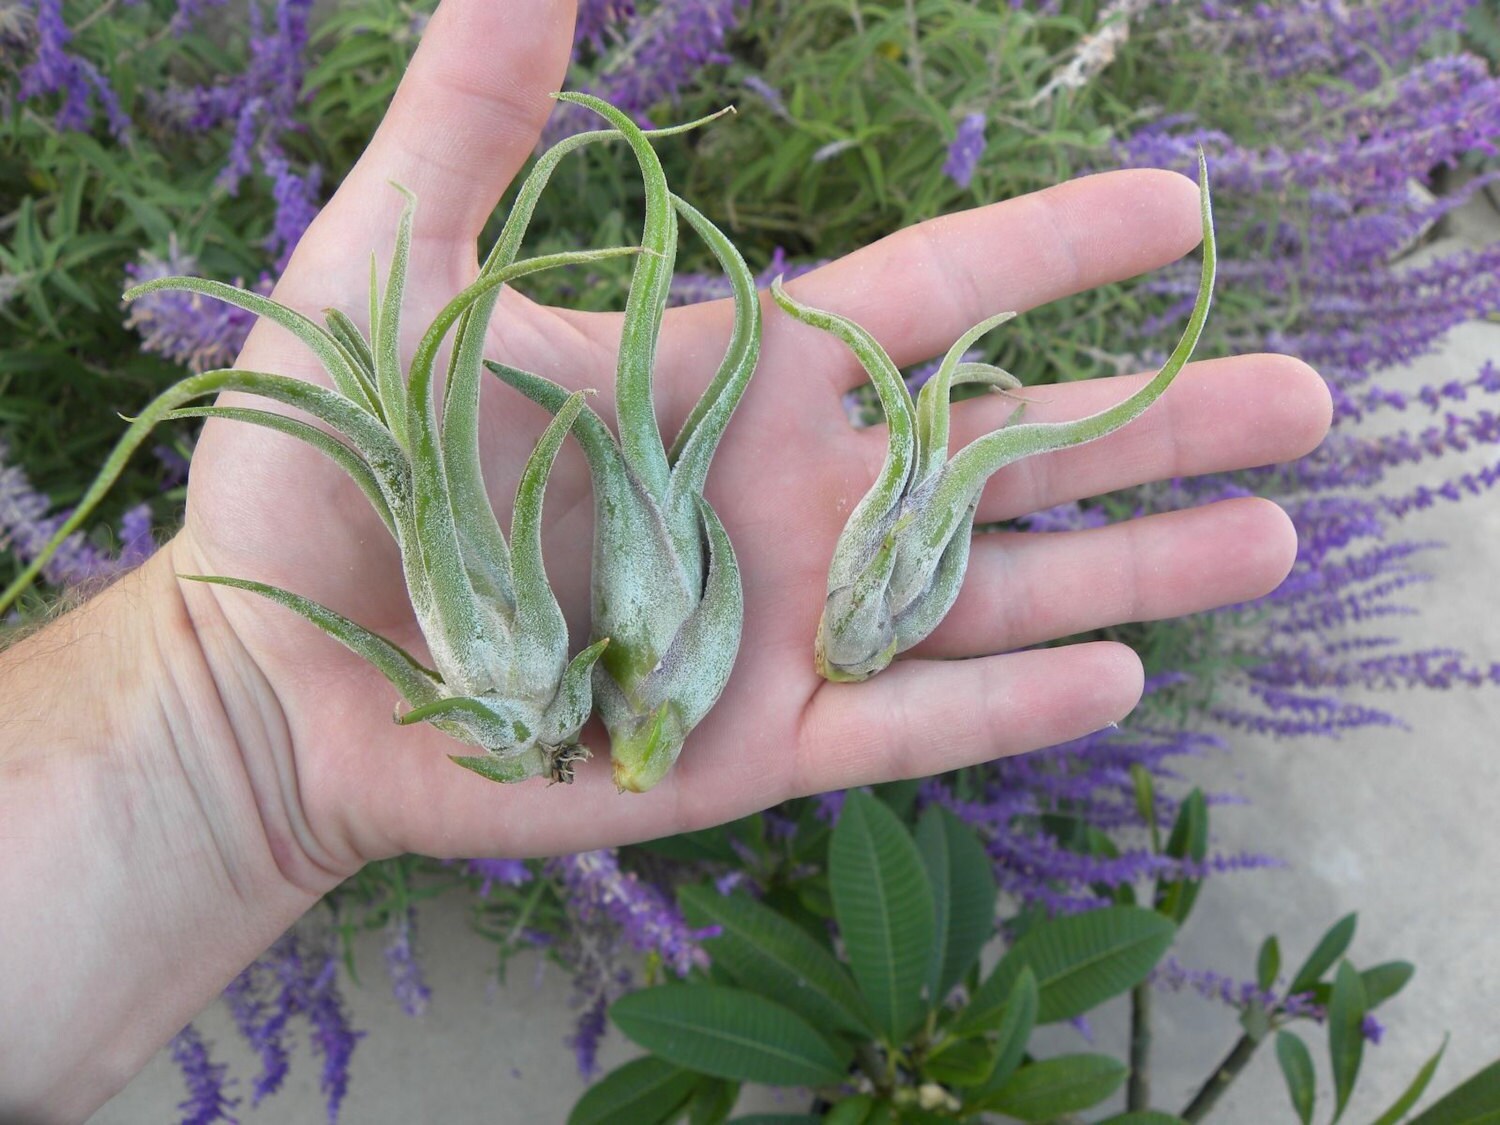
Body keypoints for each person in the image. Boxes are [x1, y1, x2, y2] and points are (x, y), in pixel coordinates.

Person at [0, 1, 1332, 1119]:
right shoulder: (603, 663)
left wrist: (212, 712)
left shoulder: (608, 662)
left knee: (719, 427)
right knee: (687, 429)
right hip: (613, 661)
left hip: (613, 662)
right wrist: (216, 707)